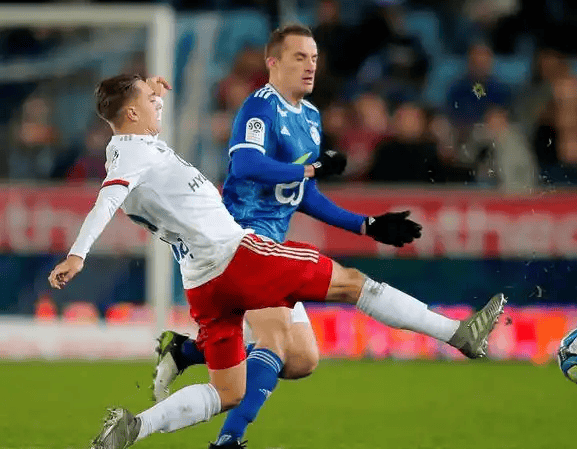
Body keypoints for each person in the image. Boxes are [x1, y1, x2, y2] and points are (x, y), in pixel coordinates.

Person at [48, 73, 506, 449]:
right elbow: (107, 200)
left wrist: (149, 89)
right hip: (237, 255)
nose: (158, 105)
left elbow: (134, 136)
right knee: (351, 284)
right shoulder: (131, 155)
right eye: (149, 102)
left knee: (229, 391)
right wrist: (77, 254)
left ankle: (135, 427)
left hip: (202, 282)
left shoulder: (133, 147)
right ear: (131, 114)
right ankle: (458, 334)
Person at [151, 24, 427, 449]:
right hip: (240, 243)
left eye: (314, 58)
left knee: (303, 359)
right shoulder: (259, 108)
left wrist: (366, 225)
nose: (310, 65)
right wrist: (309, 168)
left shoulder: (311, 117)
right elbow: (247, 165)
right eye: (300, 57)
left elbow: (303, 193)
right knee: (276, 339)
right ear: (274, 63)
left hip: (271, 246)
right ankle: (229, 440)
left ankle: (187, 351)